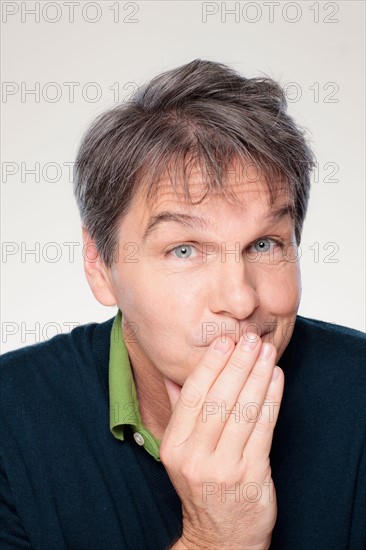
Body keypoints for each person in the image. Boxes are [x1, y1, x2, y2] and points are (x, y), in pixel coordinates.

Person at [1, 59, 365, 550]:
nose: (240, 300)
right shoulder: (11, 422)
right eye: (184, 250)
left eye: (265, 244)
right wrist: (217, 537)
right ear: (99, 265)